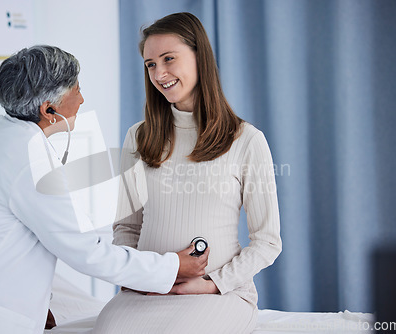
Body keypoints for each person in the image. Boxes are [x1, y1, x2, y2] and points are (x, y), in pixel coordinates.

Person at [0, 45, 209, 334]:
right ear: (49, 110)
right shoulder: (30, 157)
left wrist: (32, 301)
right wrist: (172, 266)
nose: (82, 99)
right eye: (77, 90)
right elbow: (87, 252)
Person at [93, 12, 282, 333]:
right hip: (147, 291)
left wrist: (211, 283)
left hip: (219, 294)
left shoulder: (246, 140)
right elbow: (126, 227)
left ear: (199, 58)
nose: (159, 73)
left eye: (169, 59)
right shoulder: (138, 136)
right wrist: (137, 276)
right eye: (150, 64)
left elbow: (267, 242)